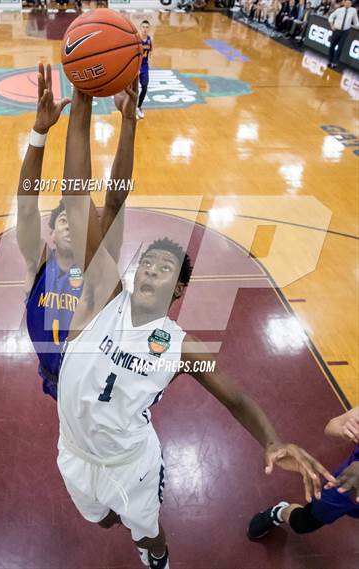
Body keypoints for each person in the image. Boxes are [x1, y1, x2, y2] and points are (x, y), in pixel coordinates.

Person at [56, 90, 336, 569]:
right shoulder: (102, 297)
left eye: (165, 269)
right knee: (103, 521)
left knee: (146, 532)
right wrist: (86, 108)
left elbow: (237, 399)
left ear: (178, 290)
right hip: (74, 451)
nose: (150, 272)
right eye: (147, 264)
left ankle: (158, 559)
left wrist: (271, 440)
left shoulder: (184, 349)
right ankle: (121, 523)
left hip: (131, 463)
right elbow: (87, 197)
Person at [17, 63, 137, 400]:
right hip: (55, 383)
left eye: (78, 219)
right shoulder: (37, 264)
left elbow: (114, 199)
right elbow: (26, 208)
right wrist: (39, 133)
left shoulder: (100, 266)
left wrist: (128, 123)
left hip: (98, 386)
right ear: (50, 234)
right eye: (63, 221)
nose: (71, 223)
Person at [248, 407, 359, 540]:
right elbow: (332, 426)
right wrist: (344, 430)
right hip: (348, 484)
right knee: (303, 523)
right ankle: (280, 512)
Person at [328, 0, 359, 68]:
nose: (347, 4)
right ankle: (330, 60)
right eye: (346, 3)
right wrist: (331, 25)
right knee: (332, 46)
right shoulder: (339, 10)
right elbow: (331, 17)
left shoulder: (353, 11)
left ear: (351, 4)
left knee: (340, 48)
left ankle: (335, 62)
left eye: (349, 3)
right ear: (344, 3)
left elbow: (356, 21)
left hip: (345, 32)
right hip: (336, 30)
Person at [137, 20, 153, 120]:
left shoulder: (150, 40)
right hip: (136, 67)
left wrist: (149, 61)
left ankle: (138, 107)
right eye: (143, 27)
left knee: (145, 86)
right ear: (140, 28)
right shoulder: (137, 40)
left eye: (147, 27)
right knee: (133, 89)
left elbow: (150, 51)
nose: (145, 29)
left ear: (149, 29)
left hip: (144, 67)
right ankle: (131, 108)